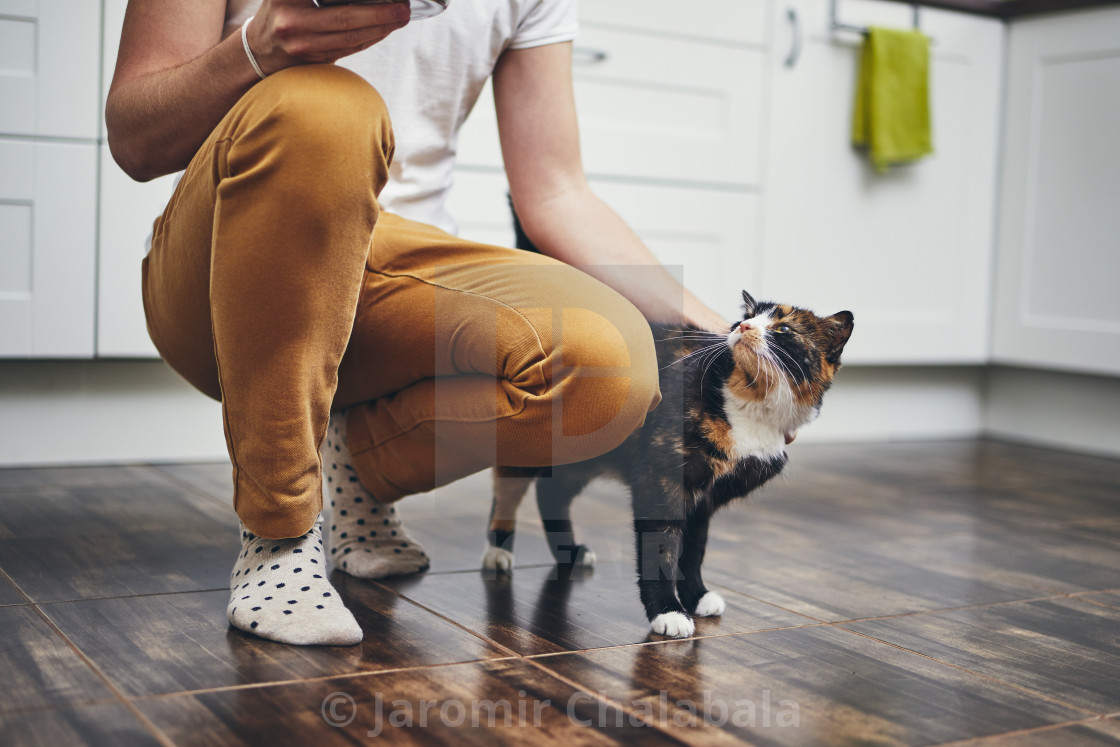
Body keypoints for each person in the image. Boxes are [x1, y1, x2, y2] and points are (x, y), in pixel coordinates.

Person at [106, 0, 727, 646]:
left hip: (396, 275)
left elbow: (556, 190)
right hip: (225, 274)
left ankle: (355, 472)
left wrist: (728, 336)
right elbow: (134, 138)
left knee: (614, 364)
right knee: (325, 107)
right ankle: (279, 533)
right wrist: (258, 50)